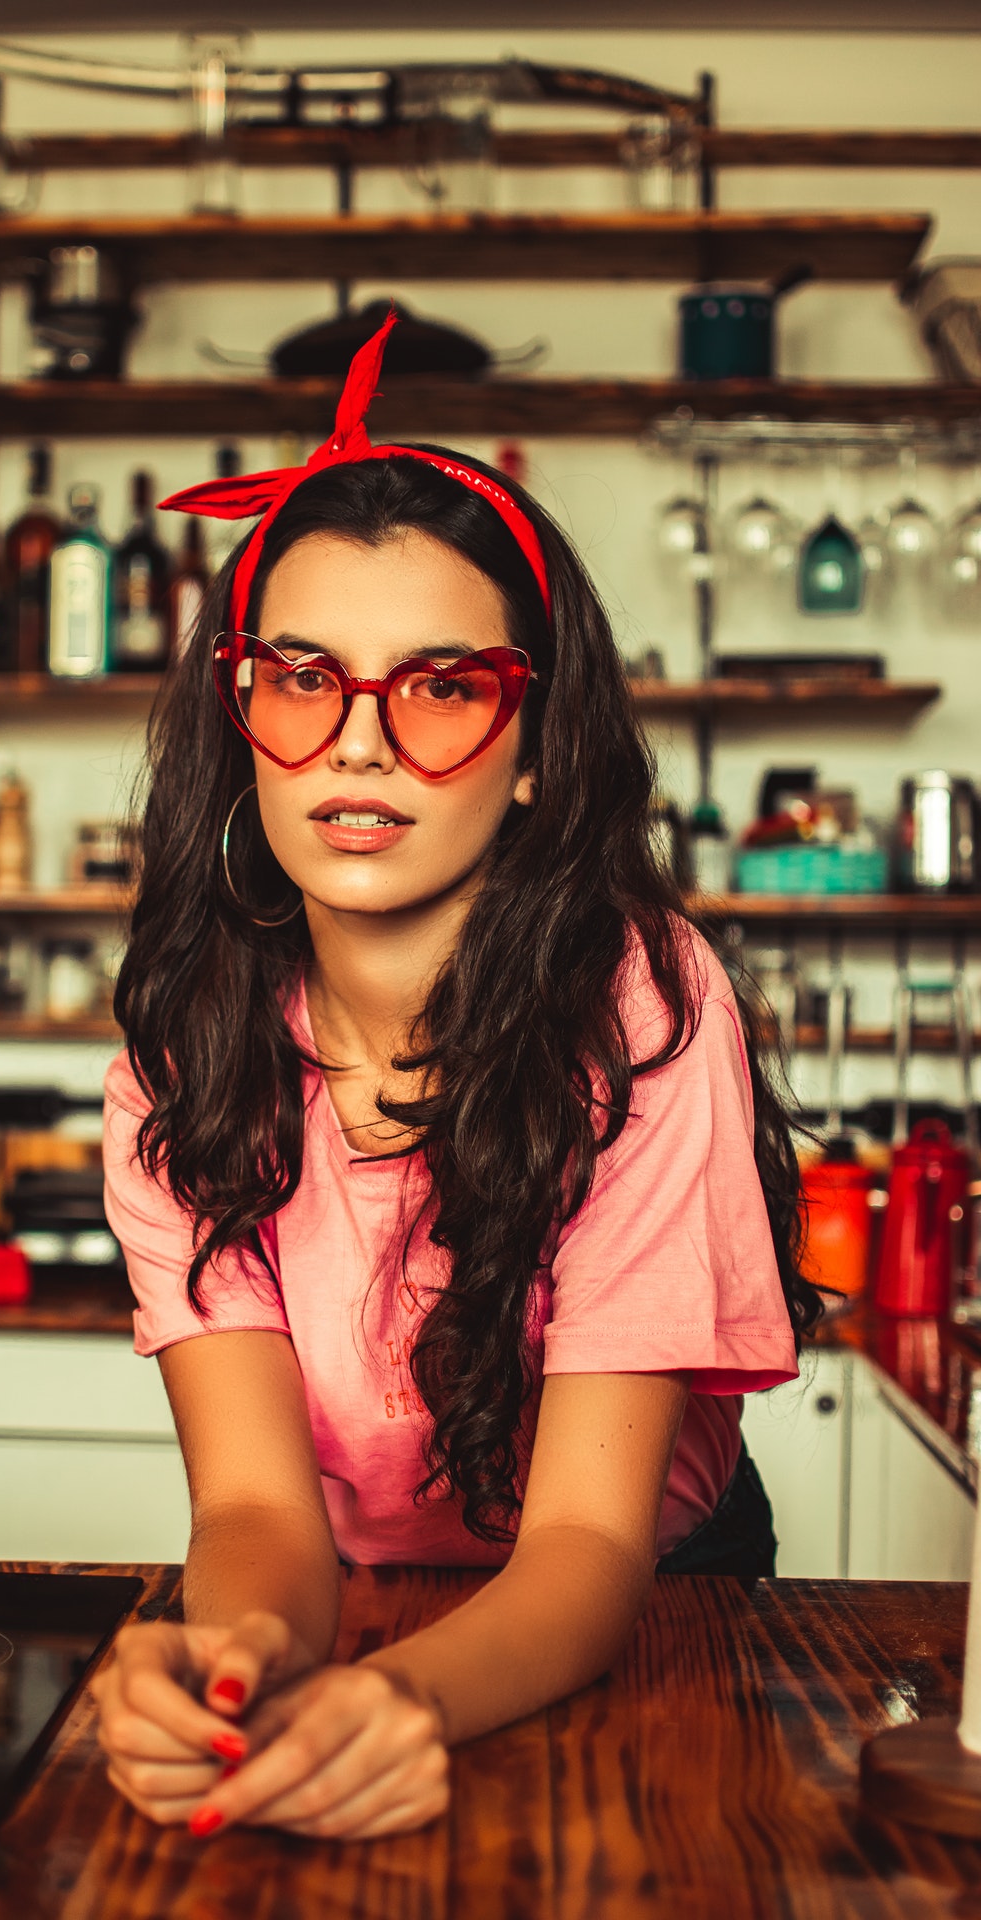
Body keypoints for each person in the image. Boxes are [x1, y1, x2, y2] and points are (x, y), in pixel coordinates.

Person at [92, 313, 821, 1843]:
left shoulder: (644, 1006)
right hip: (346, 1610)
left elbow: (581, 1540)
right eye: (302, 677)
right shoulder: (178, 1059)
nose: (358, 743)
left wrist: (407, 1699)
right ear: (243, 720)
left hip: (643, 1609)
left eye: (439, 687)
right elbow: (255, 1514)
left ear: (537, 741)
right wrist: (233, 1673)